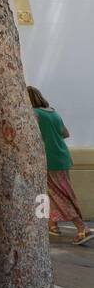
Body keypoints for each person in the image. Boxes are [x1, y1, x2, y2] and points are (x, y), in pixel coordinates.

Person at [30, 86, 91, 245]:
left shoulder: (34, 114)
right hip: (62, 158)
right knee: (46, 193)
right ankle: (51, 225)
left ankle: (82, 228)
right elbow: (66, 133)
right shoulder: (53, 112)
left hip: (48, 160)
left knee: (60, 196)